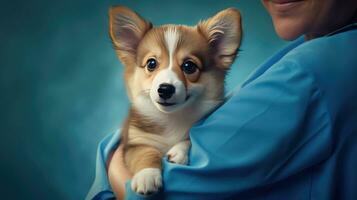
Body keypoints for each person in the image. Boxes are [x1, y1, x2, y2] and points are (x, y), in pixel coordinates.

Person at [87, 0, 357, 199]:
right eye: (152, 64)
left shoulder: (310, 73)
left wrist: (112, 159)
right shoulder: (327, 49)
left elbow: (158, 194)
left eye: (189, 66)